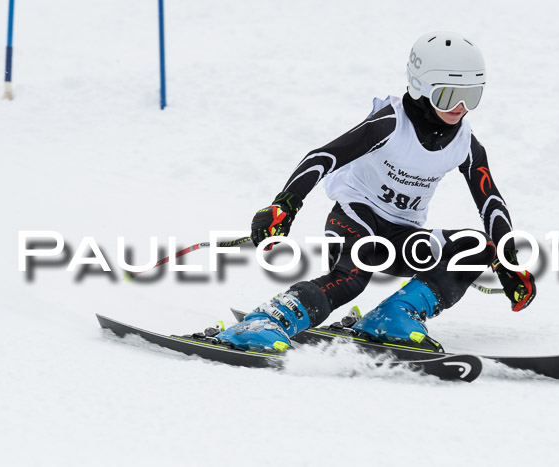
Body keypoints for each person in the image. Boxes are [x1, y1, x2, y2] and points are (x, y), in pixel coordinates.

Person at [216, 31, 536, 352]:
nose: (461, 107)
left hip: (401, 238)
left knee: (476, 247)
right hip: (356, 219)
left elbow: (491, 202)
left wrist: (508, 261)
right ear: (421, 86)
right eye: (449, 96)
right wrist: (285, 205)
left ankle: (394, 316)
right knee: (352, 278)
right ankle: (266, 322)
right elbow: (322, 157)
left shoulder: (464, 143)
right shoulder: (391, 124)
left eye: (472, 95)